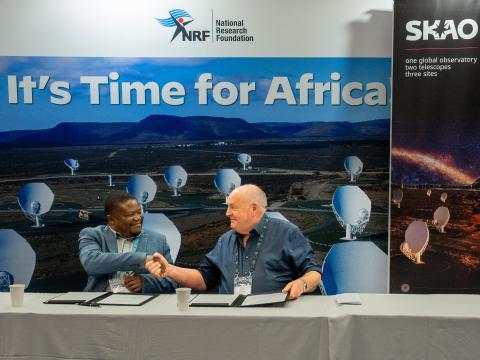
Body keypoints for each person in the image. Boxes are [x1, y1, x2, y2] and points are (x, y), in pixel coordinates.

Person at [146, 184, 321, 300]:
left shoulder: (286, 233)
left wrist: (302, 284)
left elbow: (313, 273)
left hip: (274, 322)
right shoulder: (225, 240)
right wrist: (170, 270)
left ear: (253, 208)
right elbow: (203, 280)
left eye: (233, 207)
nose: (227, 213)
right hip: (231, 322)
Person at [79, 191, 175, 293]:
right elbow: (91, 263)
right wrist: (142, 259)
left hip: (143, 303)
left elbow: (172, 279)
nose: (138, 218)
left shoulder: (158, 240)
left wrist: (146, 282)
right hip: (102, 301)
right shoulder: (93, 235)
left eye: (139, 212)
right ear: (111, 219)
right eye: (130, 214)